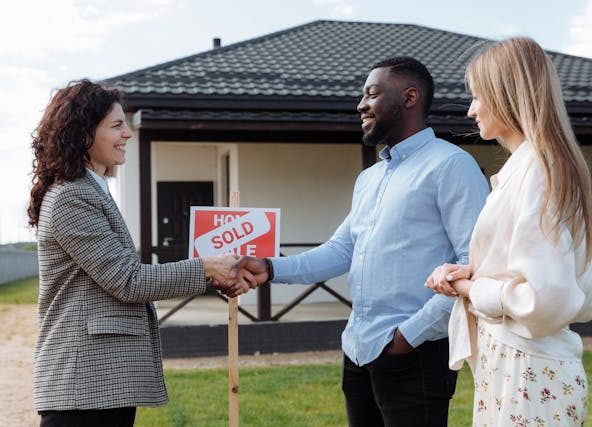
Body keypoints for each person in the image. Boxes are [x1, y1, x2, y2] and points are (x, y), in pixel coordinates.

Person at [232, 57, 490, 426]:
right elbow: (341, 250)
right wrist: (270, 268)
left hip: (414, 354)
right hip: (358, 350)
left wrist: (406, 337)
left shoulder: (451, 167)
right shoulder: (369, 178)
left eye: (372, 94)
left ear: (410, 97)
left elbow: (476, 266)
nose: (360, 105)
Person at [29, 79, 250, 427]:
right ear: (84, 133)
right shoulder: (73, 196)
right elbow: (128, 281)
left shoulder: (90, 190)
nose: (127, 135)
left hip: (97, 382)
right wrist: (207, 266)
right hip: (83, 385)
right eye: (117, 126)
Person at [425, 37, 592, 426]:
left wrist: (469, 289)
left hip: (528, 372)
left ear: (507, 95)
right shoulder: (537, 166)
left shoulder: (537, 171)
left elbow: (544, 298)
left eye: (478, 96)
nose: (470, 110)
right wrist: (473, 274)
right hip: (522, 365)